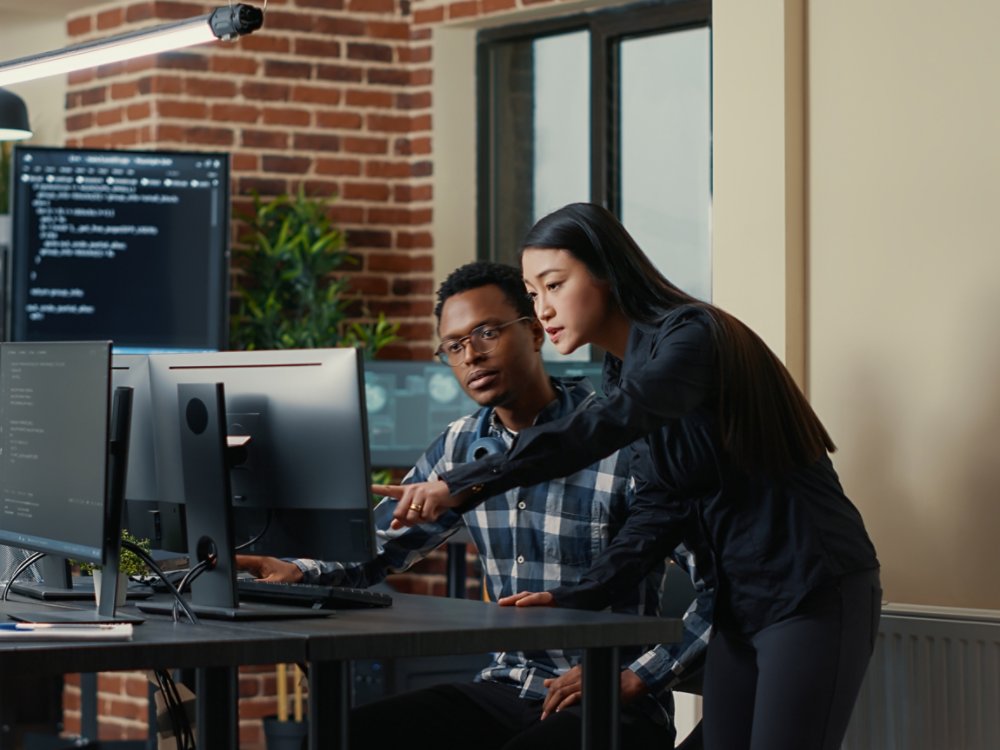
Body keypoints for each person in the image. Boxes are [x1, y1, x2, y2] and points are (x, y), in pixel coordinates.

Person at [382, 204, 882, 750]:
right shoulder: (627, 368)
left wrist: (464, 481)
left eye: (554, 285)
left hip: (811, 587)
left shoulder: (692, 337)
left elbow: (601, 427)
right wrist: (579, 595)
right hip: (738, 606)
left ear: (607, 272)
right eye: (532, 294)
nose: (543, 310)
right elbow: (661, 510)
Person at [237, 261, 712, 750]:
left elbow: (719, 587)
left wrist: (640, 677)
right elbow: (380, 548)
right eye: (455, 346)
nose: (472, 357)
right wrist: (295, 570)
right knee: (341, 737)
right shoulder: (459, 447)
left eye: (487, 333)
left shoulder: (620, 440)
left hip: (611, 701)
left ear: (534, 332)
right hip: (507, 687)